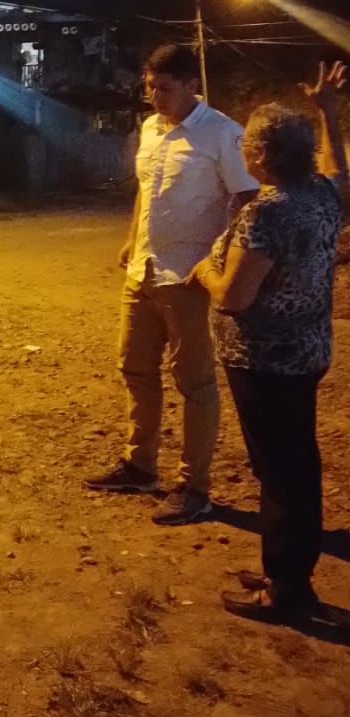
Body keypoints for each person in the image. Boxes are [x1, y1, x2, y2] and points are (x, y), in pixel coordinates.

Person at [189, 61, 347, 622]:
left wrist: (204, 270)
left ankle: (288, 590)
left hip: (264, 361)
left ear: (260, 154)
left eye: (248, 145)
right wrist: (328, 112)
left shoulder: (268, 213)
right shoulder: (321, 194)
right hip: (305, 354)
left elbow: (234, 297)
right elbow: (337, 167)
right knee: (296, 463)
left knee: (280, 471)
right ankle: (289, 568)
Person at [86, 43, 258, 524]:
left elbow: (249, 200)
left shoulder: (222, 134)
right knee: (135, 369)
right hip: (144, 270)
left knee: (195, 382)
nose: (154, 96)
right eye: (150, 87)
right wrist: (131, 240)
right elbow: (146, 190)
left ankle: (194, 487)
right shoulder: (151, 129)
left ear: (191, 85)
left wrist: (225, 263)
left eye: (164, 88)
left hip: (188, 276)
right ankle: (140, 465)